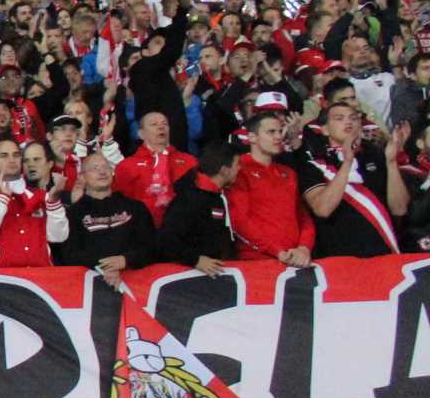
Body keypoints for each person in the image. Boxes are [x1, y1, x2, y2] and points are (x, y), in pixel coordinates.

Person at [297, 101, 409, 259]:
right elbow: (322, 209)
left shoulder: (375, 155)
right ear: (325, 129)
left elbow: (400, 209)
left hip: (384, 255)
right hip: (340, 258)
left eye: (353, 118)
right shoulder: (314, 163)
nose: (348, 122)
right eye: (339, 118)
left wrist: (391, 162)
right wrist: (347, 162)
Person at [0, 138, 67, 269]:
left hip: (40, 276)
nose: (12, 160)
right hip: (0, 278)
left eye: (16, 155)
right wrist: (3, 199)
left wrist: (53, 202)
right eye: (4, 155)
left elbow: (58, 237)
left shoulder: (41, 196)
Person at [231, 111, 315, 265]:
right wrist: (278, 251)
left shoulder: (288, 173)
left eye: (280, 131)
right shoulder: (238, 170)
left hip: (295, 259)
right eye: (271, 132)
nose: (278, 137)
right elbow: (239, 221)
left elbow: (303, 216)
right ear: (252, 137)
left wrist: (304, 247)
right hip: (256, 262)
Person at [63, 153, 153, 282]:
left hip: (137, 282)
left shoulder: (135, 207)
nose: (102, 172)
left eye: (106, 167)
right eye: (95, 168)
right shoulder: (73, 213)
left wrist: (126, 260)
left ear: (112, 172)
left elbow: (152, 246)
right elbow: (70, 255)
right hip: (92, 284)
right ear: (82, 177)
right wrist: (106, 266)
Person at [155, 141, 241, 273]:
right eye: (237, 164)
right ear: (224, 170)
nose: (240, 169)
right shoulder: (188, 199)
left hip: (211, 273)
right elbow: (166, 240)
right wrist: (195, 260)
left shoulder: (216, 197)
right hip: (187, 276)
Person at [111, 110, 198, 228]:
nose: (161, 127)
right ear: (141, 134)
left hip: (184, 227)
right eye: (154, 124)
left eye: (165, 123)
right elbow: (120, 203)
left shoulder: (189, 161)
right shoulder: (127, 166)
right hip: (142, 228)